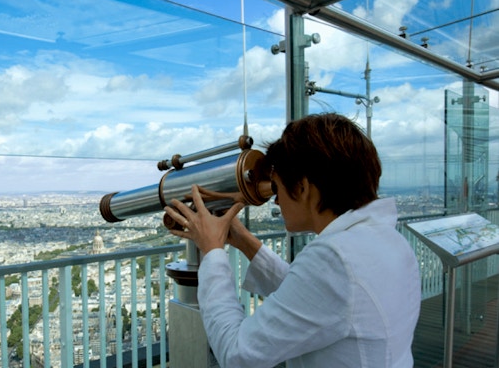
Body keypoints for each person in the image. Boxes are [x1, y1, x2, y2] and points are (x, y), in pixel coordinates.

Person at [164, 113, 421, 368]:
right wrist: (242, 239)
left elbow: (237, 353)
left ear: (303, 187)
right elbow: (311, 296)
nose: (276, 201)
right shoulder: (389, 241)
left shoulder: (336, 259)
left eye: (276, 187)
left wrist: (212, 252)